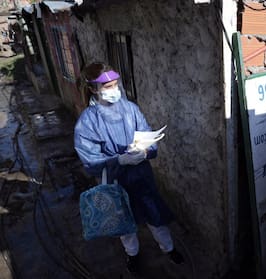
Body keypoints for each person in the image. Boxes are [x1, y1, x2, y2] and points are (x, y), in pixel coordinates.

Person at [74, 62, 184, 274]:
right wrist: (119, 160)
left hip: (142, 176)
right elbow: (90, 160)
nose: (114, 90)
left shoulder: (130, 109)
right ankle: (132, 254)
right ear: (93, 89)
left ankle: (168, 248)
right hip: (116, 181)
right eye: (107, 86)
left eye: (115, 84)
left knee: (155, 215)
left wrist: (145, 151)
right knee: (124, 223)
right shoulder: (87, 122)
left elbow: (148, 136)